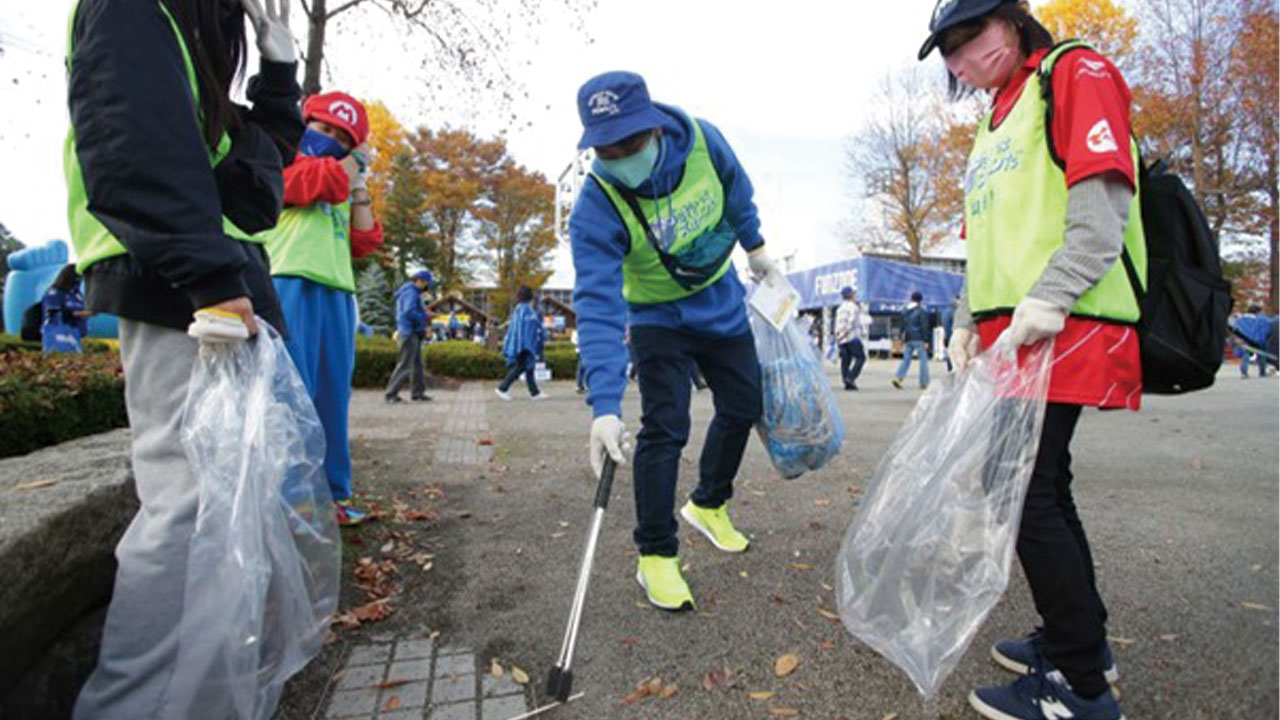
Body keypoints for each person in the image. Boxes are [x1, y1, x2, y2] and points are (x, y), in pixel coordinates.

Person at [64, 0, 301, 715]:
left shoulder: (189, 35)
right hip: (180, 285)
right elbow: (132, 144)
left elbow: (255, 180)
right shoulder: (138, 10)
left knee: (227, 506)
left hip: (211, 281)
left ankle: (200, 700)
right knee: (189, 508)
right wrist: (209, 277)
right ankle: (127, 706)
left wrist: (280, 73)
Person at [922, 1, 1148, 718]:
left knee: (1023, 490)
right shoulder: (996, 119)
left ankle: (1079, 684)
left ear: (1014, 21)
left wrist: (1048, 299)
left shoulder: (1072, 73)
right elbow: (986, 240)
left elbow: (1101, 206)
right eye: (948, 51)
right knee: (1040, 484)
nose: (961, 61)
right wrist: (965, 324)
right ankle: (1079, 640)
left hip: (1063, 323)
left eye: (970, 37)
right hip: (1012, 333)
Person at [569, 71, 777, 611]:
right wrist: (605, 406)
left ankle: (709, 503)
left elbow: (737, 192)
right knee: (666, 427)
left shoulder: (704, 141)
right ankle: (656, 555)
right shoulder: (597, 204)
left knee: (744, 403)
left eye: (630, 143)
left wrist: (755, 247)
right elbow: (597, 303)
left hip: (720, 301)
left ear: (656, 128)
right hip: (656, 315)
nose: (619, 157)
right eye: (605, 148)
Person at [260, 91, 384, 527]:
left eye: (342, 137)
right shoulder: (281, 159)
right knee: (293, 394)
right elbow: (310, 185)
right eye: (323, 128)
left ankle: (334, 494)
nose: (330, 139)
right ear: (305, 123)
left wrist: (360, 185)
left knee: (333, 397)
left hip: (337, 291)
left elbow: (364, 240)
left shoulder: (344, 177)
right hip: (290, 279)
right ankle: (289, 498)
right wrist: (352, 166)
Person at [386, 270, 434, 404]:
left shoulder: (412, 293)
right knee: (405, 364)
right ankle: (391, 394)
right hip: (408, 332)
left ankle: (418, 393)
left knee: (417, 365)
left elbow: (411, 310)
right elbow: (408, 311)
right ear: (419, 280)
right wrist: (425, 316)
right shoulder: (411, 292)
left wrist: (424, 313)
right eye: (425, 283)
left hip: (413, 332)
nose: (426, 287)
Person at [495, 285, 547, 400]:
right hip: (525, 345)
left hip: (522, 344)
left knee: (529, 367)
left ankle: (535, 393)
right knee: (521, 367)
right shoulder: (525, 310)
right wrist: (525, 345)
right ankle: (502, 388)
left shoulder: (521, 309)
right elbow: (526, 329)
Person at [41, 264, 91, 352]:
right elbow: (53, 312)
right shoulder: (54, 292)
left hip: (76, 333)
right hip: (58, 332)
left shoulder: (76, 294)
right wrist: (79, 314)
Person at [892, 291, 930, 389]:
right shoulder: (921, 311)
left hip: (908, 338)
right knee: (923, 361)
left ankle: (898, 377)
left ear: (911, 299)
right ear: (920, 300)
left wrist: (901, 337)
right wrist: (926, 340)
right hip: (919, 338)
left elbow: (902, 326)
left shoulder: (904, 310)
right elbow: (924, 326)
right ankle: (924, 382)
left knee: (906, 359)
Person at [834, 286, 866, 390]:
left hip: (842, 339)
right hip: (852, 337)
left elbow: (838, 324)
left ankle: (846, 381)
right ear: (851, 295)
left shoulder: (840, 308)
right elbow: (851, 322)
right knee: (861, 358)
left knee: (845, 360)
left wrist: (838, 335)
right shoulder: (853, 307)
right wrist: (845, 333)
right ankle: (851, 378)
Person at [1233, 305, 1271, 378]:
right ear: (1257, 312)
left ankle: (1244, 372)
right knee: (1262, 355)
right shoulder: (1261, 320)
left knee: (1246, 355)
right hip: (1257, 340)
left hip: (1244, 340)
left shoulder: (1240, 319)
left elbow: (1236, 329)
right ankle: (1262, 372)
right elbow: (1265, 331)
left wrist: (1237, 339)